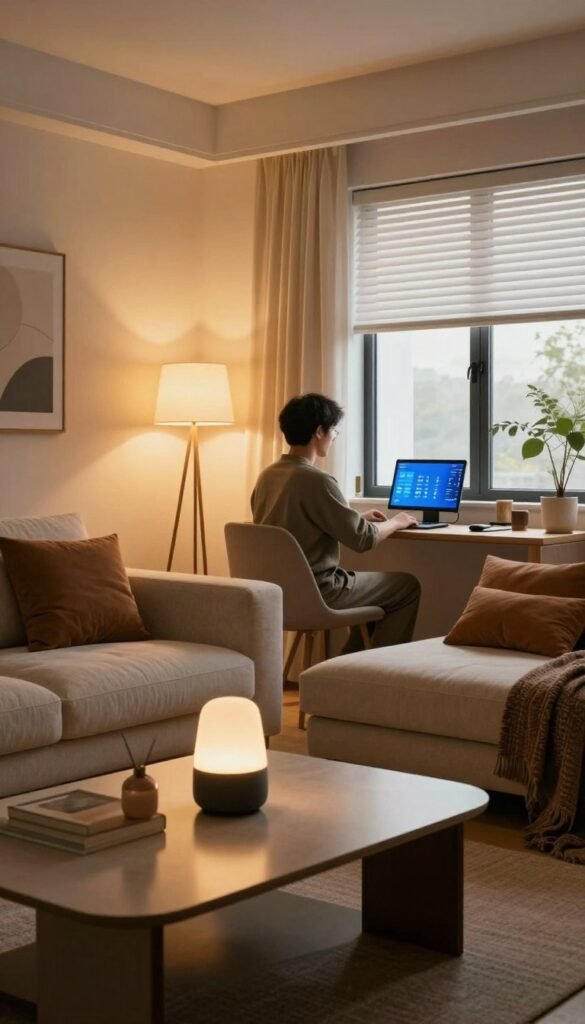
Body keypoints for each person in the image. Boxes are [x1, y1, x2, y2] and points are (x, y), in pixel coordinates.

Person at [251, 393, 421, 651]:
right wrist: (397, 522)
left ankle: (345, 669)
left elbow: (290, 525)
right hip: (320, 591)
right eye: (334, 431)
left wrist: (355, 518)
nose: (333, 438)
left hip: (276, 593)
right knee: (406, 587)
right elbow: (363, 539)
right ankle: (378, 676)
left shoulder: (268, 476)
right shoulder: (316, 480)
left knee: (375, 598)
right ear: (319, 432)